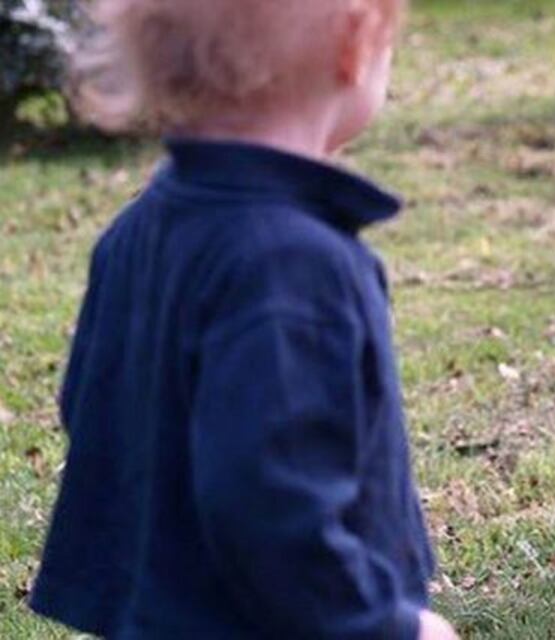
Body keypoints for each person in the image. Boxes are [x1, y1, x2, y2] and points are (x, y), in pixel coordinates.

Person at [29, 1, 458, 638]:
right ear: (356, 42)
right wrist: (387, 627)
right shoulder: (294, 266)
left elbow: (89, 406)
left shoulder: (136, 228)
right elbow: (275, 504)